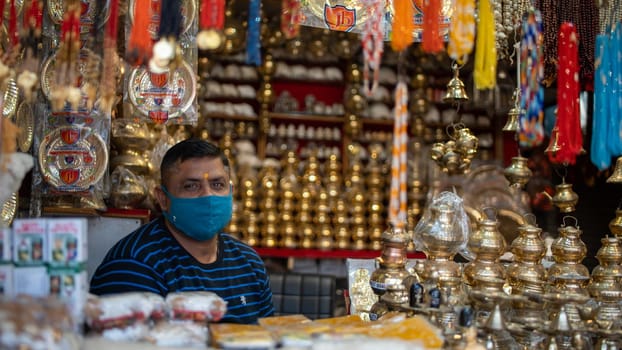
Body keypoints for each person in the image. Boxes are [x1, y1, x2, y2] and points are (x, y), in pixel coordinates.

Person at [90, 138, 274, 324]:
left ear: (231, 192)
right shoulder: (133, 264)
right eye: (191, 186)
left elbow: (268, 337)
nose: (208, 195)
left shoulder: (249, 263)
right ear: (163, 200)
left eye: (218, 185)